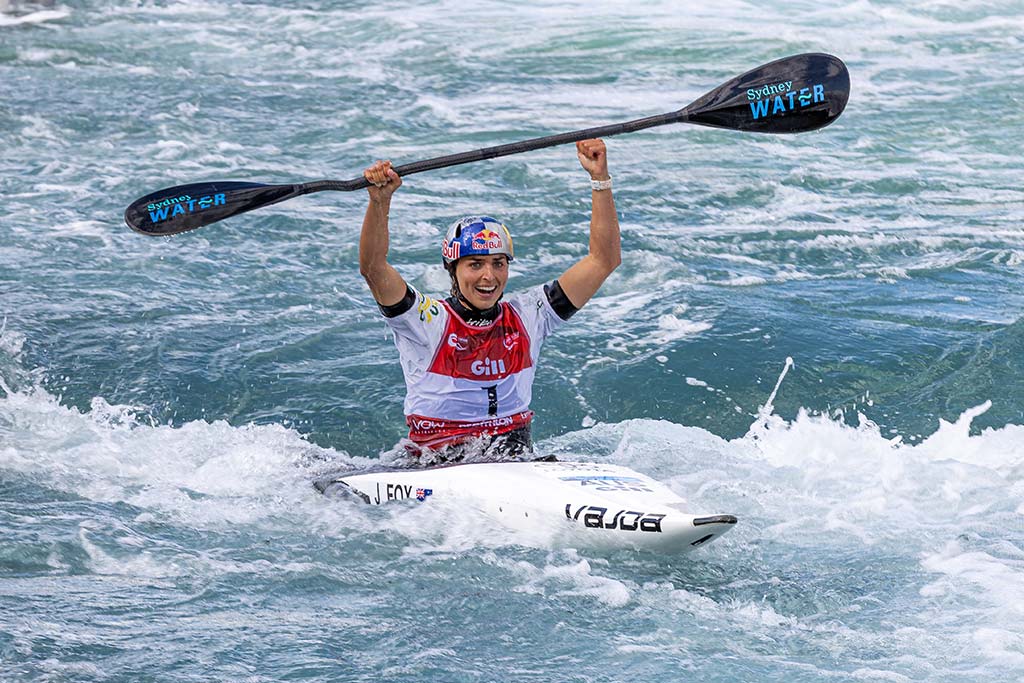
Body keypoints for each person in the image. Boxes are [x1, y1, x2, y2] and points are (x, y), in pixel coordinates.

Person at [359, 138, 620, 464]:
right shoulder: (426, 319)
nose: (489, 276)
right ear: (453, 270)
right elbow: (373, 268)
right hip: (434, 463)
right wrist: (380, 202)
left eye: (499, 263)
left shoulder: (530, 314)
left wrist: (600, 179)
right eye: (475, 264)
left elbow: (603, 260)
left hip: (514, 458)